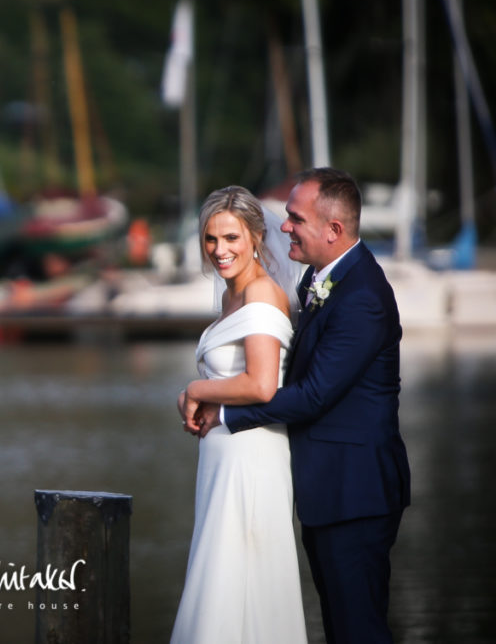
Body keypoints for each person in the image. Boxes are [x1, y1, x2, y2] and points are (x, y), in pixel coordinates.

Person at [191, 168, 411, 644]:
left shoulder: (363, 297)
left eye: (294, 218)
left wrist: (224, 412)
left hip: (356, 490)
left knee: (359, 629)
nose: (283, 226)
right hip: (324, 489)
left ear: (333, 230)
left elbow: (312, 394)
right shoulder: (320, 278)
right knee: (340, 625)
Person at [170, 185, 308, 643]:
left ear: (254, 237)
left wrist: (196, 389)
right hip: (222, 459)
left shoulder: (262, 295)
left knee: (242, 571)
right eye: (211, 239)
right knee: (221, 567)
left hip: (252, 457)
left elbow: (262, 382)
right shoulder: (231, 298)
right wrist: (205, 397)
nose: (219, 250)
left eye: (230, 238)